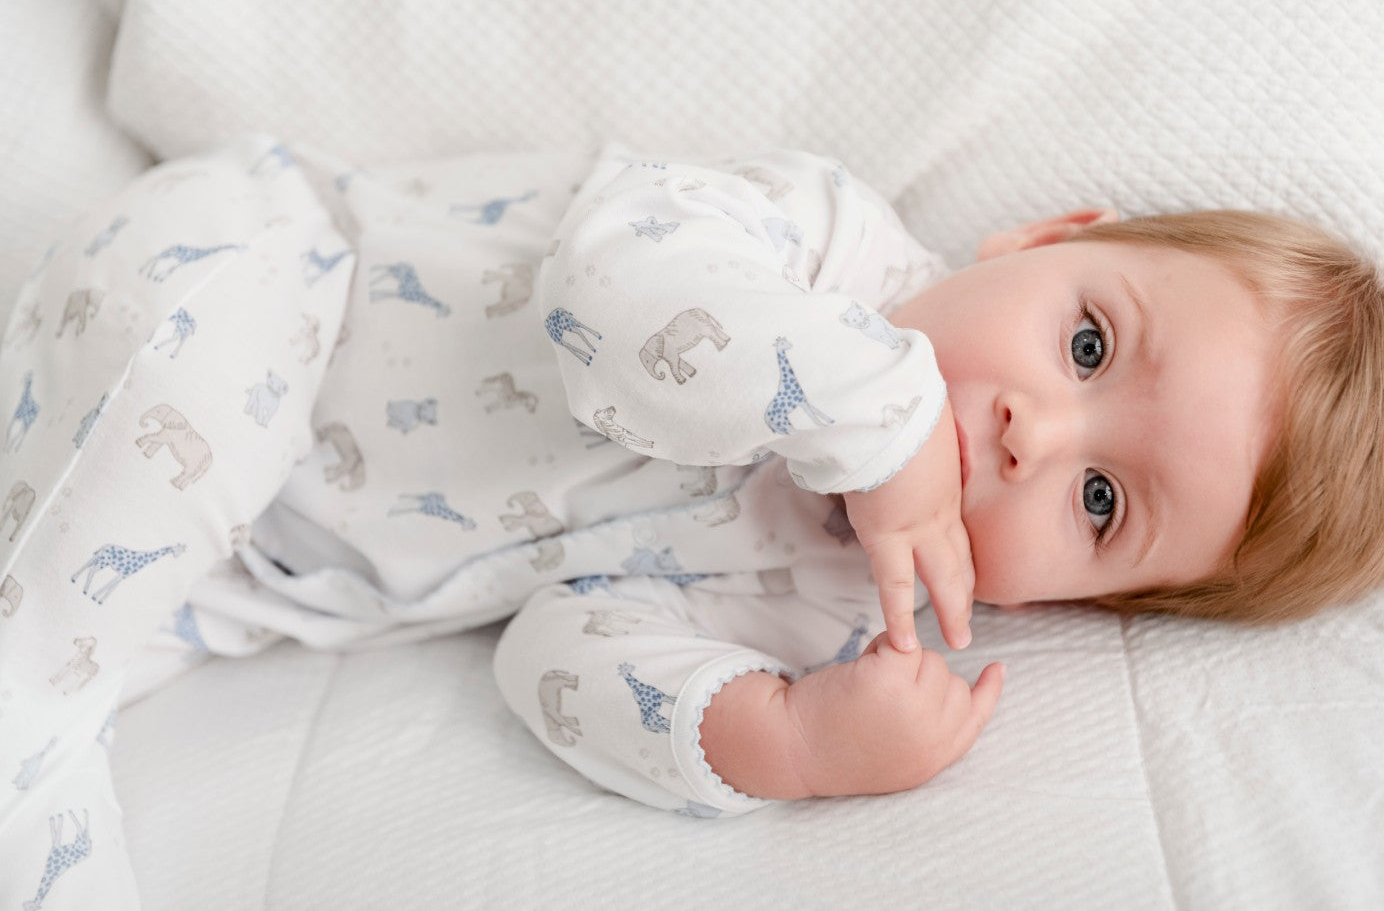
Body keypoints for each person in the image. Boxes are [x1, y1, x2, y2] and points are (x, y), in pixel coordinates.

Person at [2, 137, 1381, 907]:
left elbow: (553, 653)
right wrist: (887, 421)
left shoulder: (834, 606)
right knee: (65, 641)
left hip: (254, 561)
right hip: (245, 283)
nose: (1037, 432)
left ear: (1089, 605)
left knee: (104, 618)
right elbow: (607, 300)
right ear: (1043, 238)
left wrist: (781, 740)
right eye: (1086, 345)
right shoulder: (814, 239)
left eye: (1098, 503)